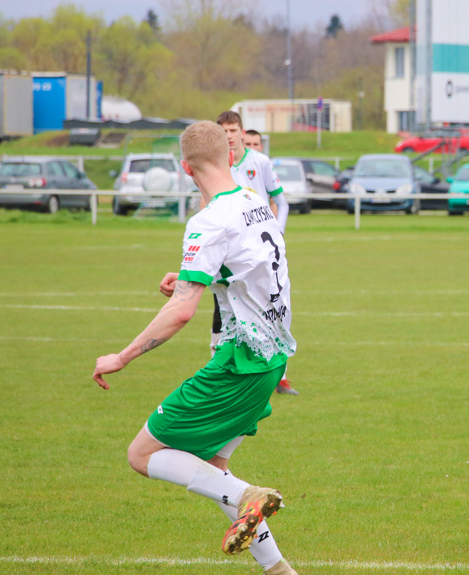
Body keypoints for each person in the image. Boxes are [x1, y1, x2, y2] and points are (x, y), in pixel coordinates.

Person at [93, 120, 298, 575]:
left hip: (239, 361)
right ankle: (279, 570)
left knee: (142, 455)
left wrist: (122, 356)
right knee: (212, 470)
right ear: (232, 156)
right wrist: (190, 276)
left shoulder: (208, 220)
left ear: (185, 168)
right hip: (272, 359)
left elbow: (183, 311)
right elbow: (243, 267)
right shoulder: (255, 203)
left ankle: (249, 495)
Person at [213, 112, 298, 396]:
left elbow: (281, 202)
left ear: (240, 131)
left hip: (261, 250)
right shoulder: (215, 164)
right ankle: (221, 367)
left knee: (271, 304)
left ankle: (281, 375)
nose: (228, 135)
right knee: (223, 304)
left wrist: (277, 233)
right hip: (230, 249)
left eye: (232, 129)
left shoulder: (259, 162)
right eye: (223, 130)